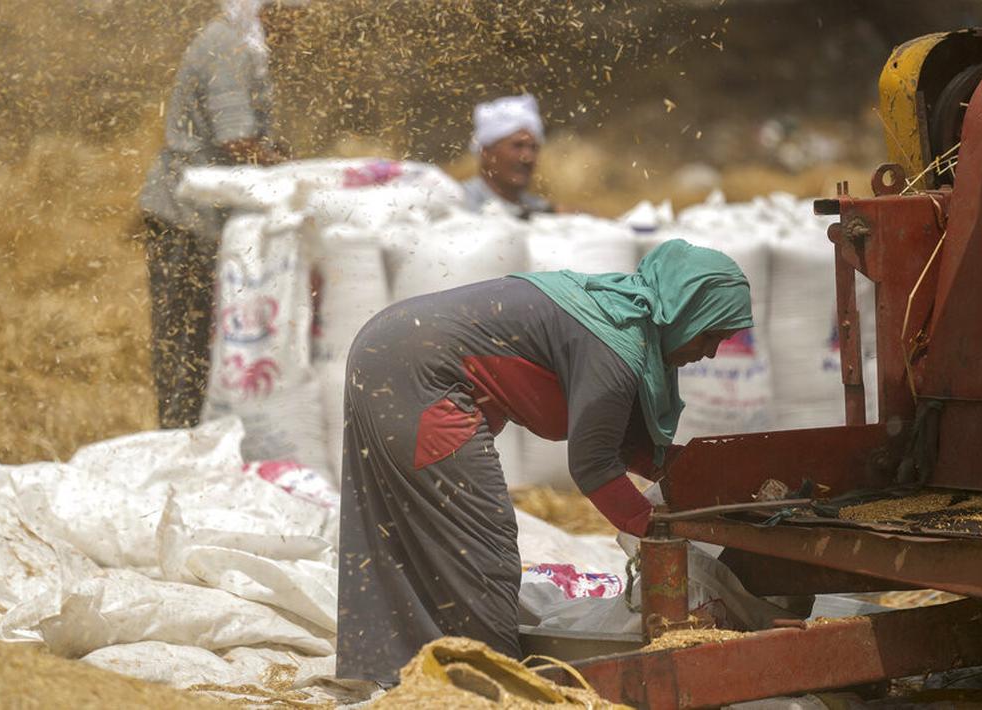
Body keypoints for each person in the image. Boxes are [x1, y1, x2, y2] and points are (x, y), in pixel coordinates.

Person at [336, 239, 753, 684]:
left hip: (389, 350)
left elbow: (624, 444)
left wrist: (712, 480)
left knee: (406, 536)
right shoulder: (615, 344)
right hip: (416, 374)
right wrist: (663, 529)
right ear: (683, 310)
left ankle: (405, 676)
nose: (710, 353)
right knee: (482, 550)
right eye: (710, 334)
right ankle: (486, 687)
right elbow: (594, 465)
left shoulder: (621, 316)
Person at [139, 0, 306, 429]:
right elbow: (237, 139)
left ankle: (203, 430)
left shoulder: (244, 45)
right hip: (184, 217)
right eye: (293, 10)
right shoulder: (226, 46)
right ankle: (180, 435)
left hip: (207, 218)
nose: (299, 21)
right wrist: (295, 173)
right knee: (185, 334)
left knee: (207, 333)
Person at [461, 94, 555, 219]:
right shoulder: (459, 201)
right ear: (486, 152)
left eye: (533, 148)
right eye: (517, 146)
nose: (527, 157)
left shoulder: (539, 207)